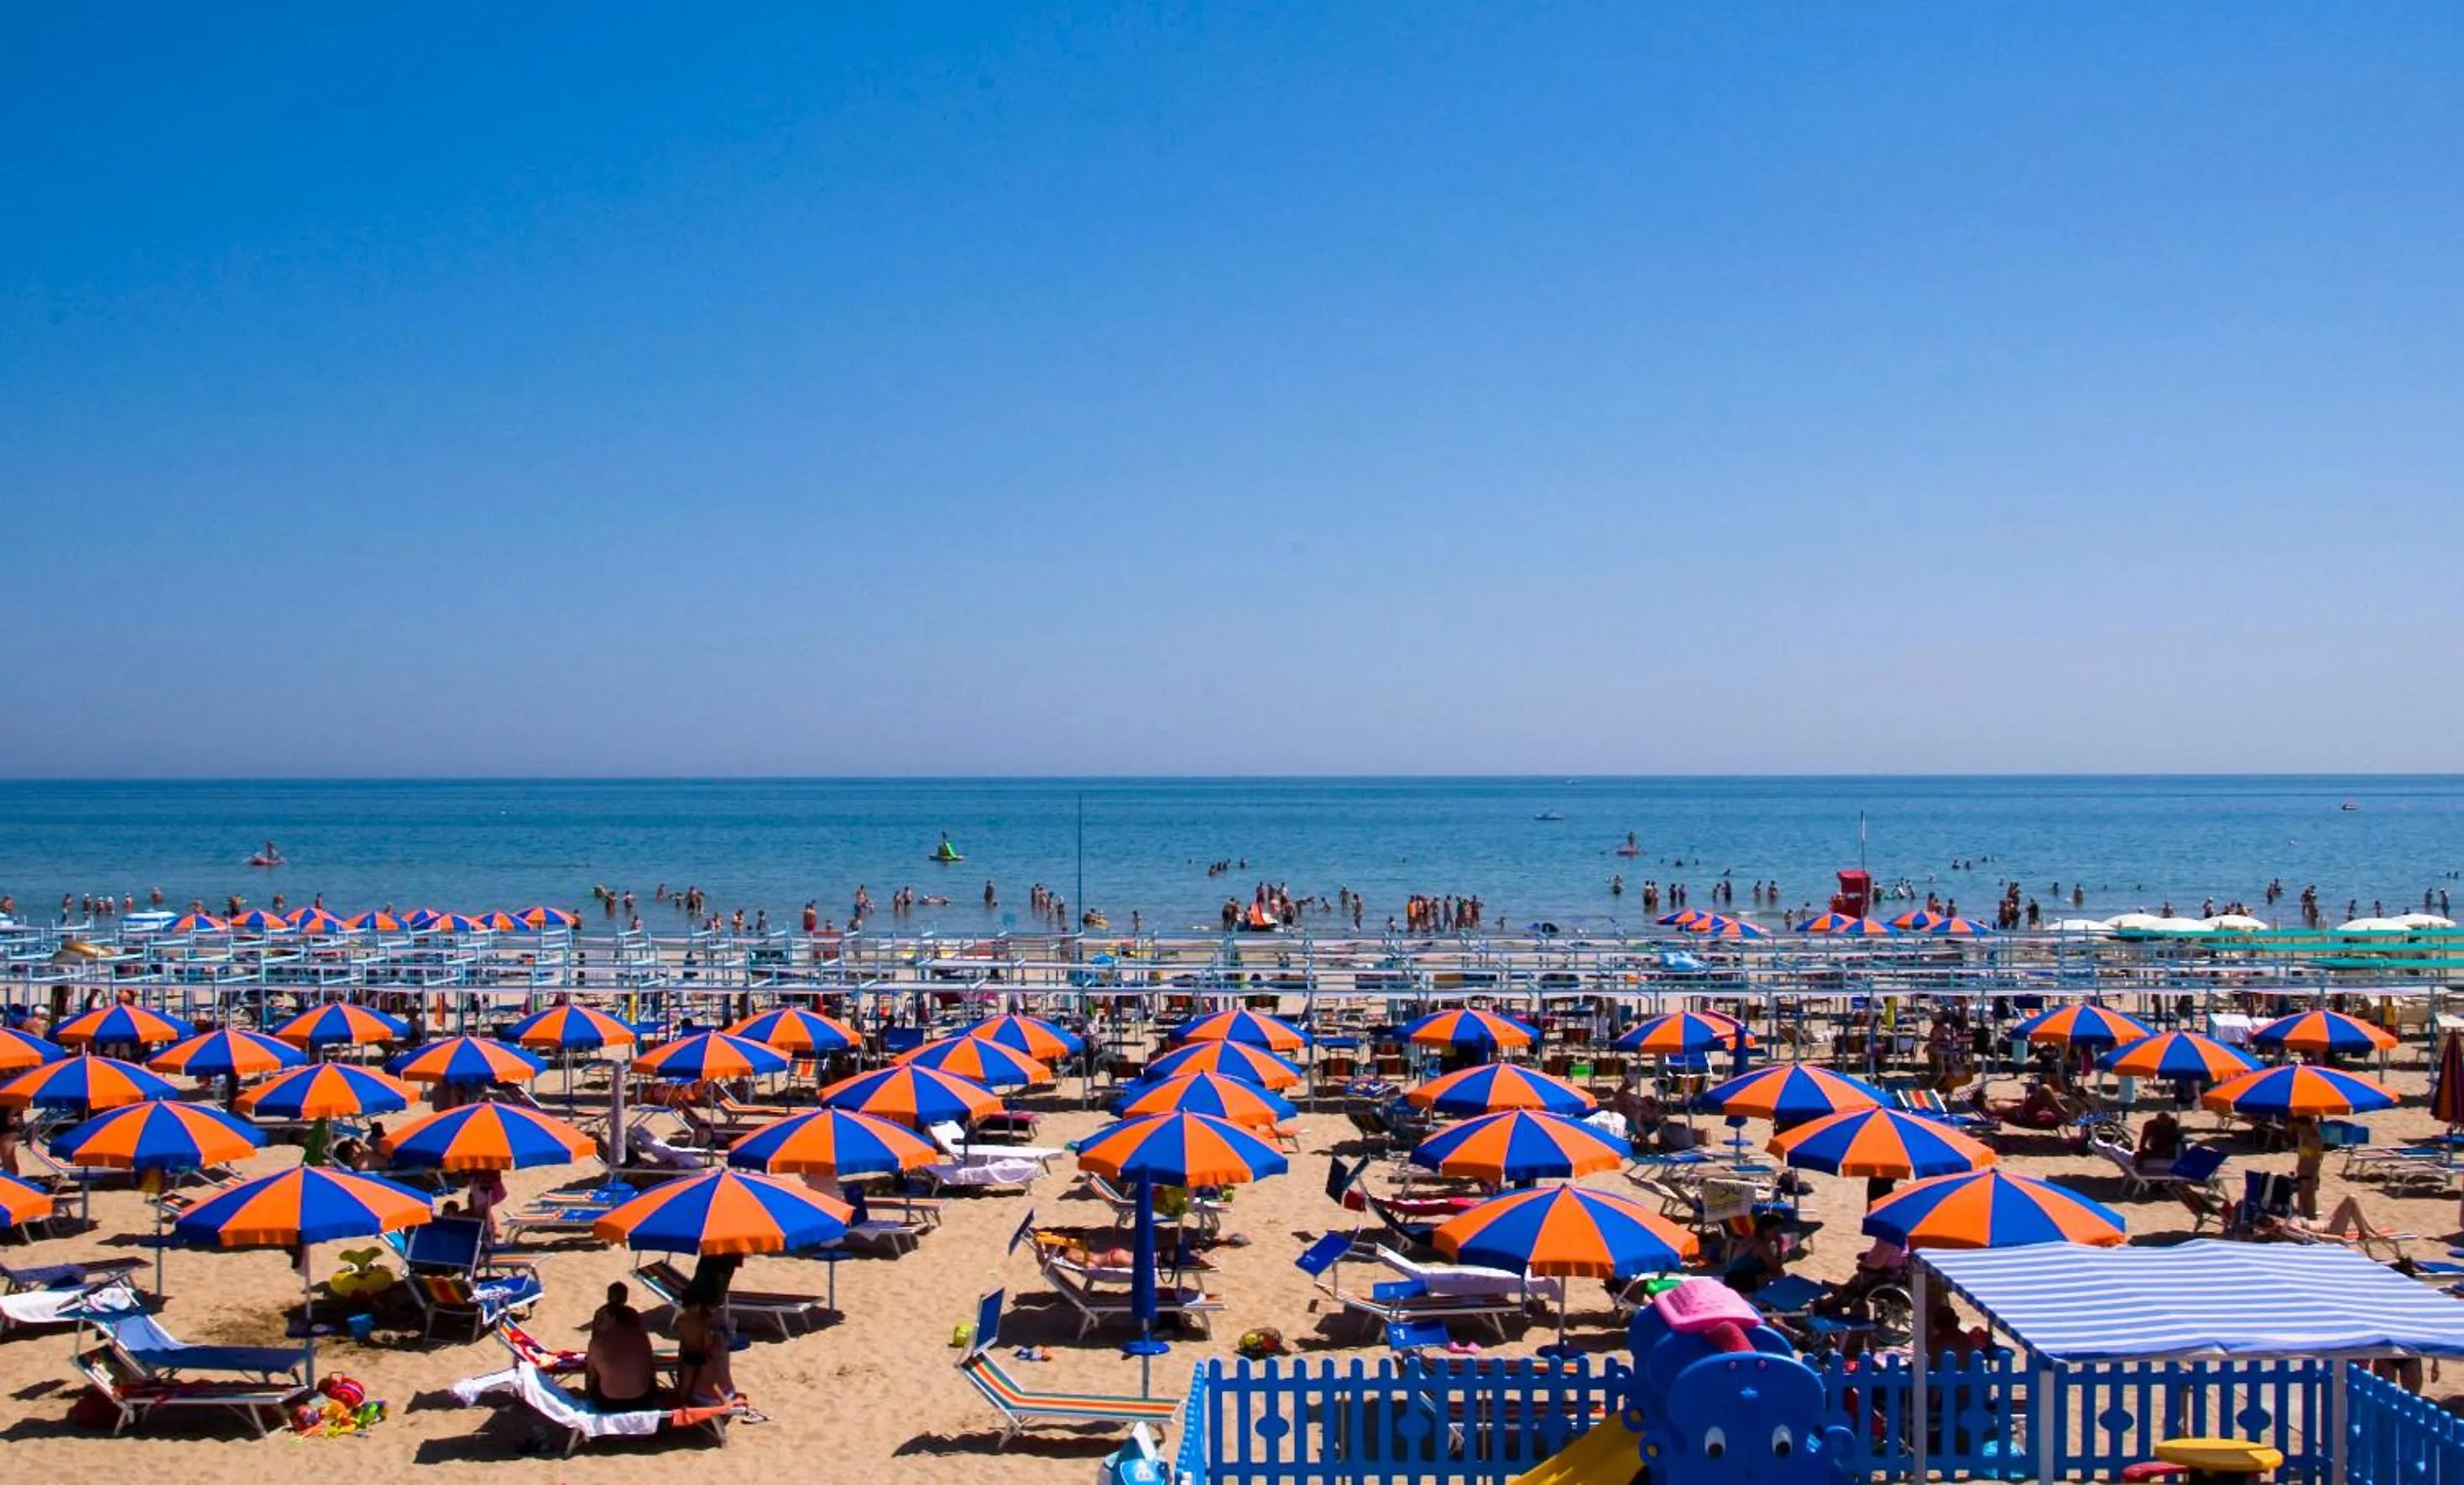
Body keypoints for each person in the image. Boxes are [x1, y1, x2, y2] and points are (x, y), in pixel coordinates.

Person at [585, 1281, 658, 1409]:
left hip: (608, 1400)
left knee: (595, 1371)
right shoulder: (639, 1333)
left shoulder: (601, 1315)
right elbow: (650, 1367)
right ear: (625, 1297)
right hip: (641, 1399)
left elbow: (591, 1372)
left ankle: (589, 1400)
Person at [673, 1270, 738, 1407]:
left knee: (685, 1382)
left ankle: (680, 1402)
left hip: (689, 1355)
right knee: (706, 1378)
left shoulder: (683, 1322)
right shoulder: (708, 1324)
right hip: (704, 1356)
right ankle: (723, 1401)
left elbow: (680, 1336)